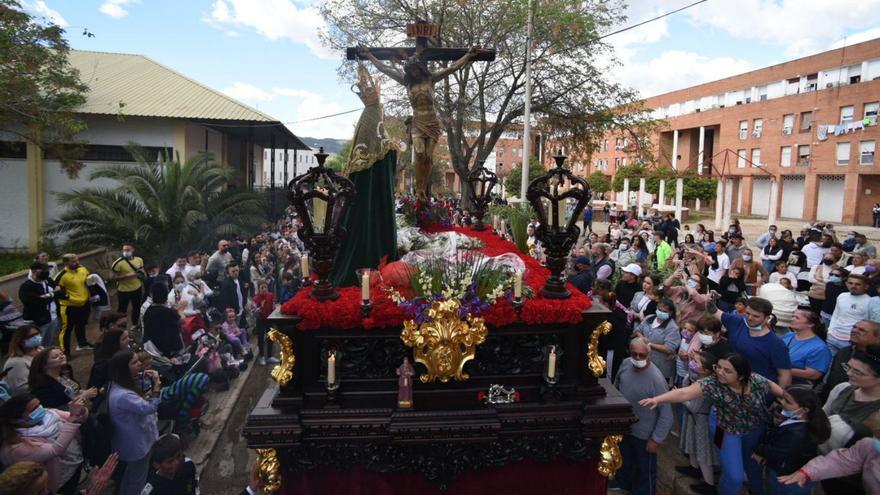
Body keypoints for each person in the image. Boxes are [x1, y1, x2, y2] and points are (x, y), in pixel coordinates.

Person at [640, 353, 787, 495]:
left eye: (727, 370)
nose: (720, 372)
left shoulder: (757, 381)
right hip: (729, 432)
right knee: (734, 476)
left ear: (741, 376)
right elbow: (684, 393)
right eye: (718, 367)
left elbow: (780, 392)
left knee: (753, 469)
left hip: (754, 430)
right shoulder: (713, 384)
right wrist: (658, 399)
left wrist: (792, 405)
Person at [611, 337, 673, 495]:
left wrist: (656, 439)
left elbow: (666, 414)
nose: (637, 358)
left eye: (642, 355)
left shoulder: (657, 380)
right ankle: (623, 483)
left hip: (645, 434)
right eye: (634, 354)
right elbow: (617, 386)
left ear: (649, 355)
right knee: (623, 460)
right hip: (625, 427)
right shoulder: (626, 364)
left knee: (645, 469)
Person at [0, 393, 87, 494]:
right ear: (16, 420)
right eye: (34, 409)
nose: (41, 409)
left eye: (39, 404)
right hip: (59, 480)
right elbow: (55, 450)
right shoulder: (14, 446)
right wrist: (73, 417)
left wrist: (80, 409)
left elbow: (80, 418)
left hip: (74, 462)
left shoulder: (48, 414)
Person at [777, 411, 879, 493]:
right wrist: (807, 472)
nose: (876, 441)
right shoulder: (870, 447)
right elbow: (840, 461)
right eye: (877, 437)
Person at [754, 387, 832, 495]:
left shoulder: (797, 433)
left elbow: (777, 452)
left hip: (784, 477)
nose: (782, 402)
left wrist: (757, 449)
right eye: (783, 398)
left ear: (804, 409)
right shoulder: (801, 422)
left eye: (787, 401)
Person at [108, 350, 160, 494]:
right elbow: (149, 407)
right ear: (124, 368)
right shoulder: (123, 395)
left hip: (133, 440)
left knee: (132, 476)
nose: (139, 364)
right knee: (137, 479)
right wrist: (157, 385)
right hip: (137, 444)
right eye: (135, 362)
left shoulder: (117, 385)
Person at [710, 297, 792, 388]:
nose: (749, 318)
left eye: (756, 316)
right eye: (748, 313)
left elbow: (784, 375)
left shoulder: (776, 344)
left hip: (757, 391)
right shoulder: (738, 323)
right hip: (730, 386)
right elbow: (713, 310)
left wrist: (780, 397)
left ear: (767, 318)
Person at [821, 346, 880, 455]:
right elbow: (821, 416)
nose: (849, 373)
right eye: (848, 368)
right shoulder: (842, 388)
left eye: (857, 372)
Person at [676, 351, 721, 495]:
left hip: (701, 420)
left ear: (705, 370)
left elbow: (694, 407)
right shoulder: (698, 379)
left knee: (702, 452)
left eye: (696, 362)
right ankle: (693, 468)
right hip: (694, 420)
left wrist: (679, 397)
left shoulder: (705, 385)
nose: (692, 363)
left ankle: (709, 484)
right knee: (693, 445)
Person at [823, 320, 880, 402]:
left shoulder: (877, 361)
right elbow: (828, 380)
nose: (854, 330)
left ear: (877, 338)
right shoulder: (843, 352)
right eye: (854, 327)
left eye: (862, 330)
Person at [28, 347, 97, 411]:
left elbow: (73, 390)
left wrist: (86, 391)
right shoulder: (42, 386)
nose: (61, 357)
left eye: (62, 354)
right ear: (44, 365)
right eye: (55, 357)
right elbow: (58, 409)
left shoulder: (65, 373)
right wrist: (84, 396)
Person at [53, 254, 93, 356]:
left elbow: (89, 281)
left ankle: (82, 344)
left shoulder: (82, 269)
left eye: (77, 260)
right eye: (73, 261)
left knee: (81, 324)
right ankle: (65, 352)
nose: (77, 263)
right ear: (66, 263)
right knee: (67, 330)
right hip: (69, 307)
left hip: (84, 304)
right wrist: (68, 297)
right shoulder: (62, 275)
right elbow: (56, 292)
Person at [634, 298, 681, 381]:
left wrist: (649, 344)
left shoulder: (672, 328)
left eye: (664, 311)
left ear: (670, 313)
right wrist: (642, 338)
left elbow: (669, 349)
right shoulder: (649, 318)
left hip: (661, 366)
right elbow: (638, 330)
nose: (661, 312)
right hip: (644, 361)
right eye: (659, 309)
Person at [781, 309, 831, 386]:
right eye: (792, 316)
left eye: (797, 318)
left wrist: (782, 370)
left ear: (810, 324)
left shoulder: (819, 348)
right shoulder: (789, 335)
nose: (792, 319)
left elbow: (814, 374)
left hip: (797, 384)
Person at [826, 274, 872, 357]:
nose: (853, 286)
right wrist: (830, 331)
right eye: (850, 283)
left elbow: (869, 325)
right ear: (846, 283)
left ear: (866, 286)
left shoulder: (870, 302)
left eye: (857, 284)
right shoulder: (842, 296)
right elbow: (836, 314)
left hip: (850, 342)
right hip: (833, 337)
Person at [18, 262, 58, 347]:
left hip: (52, 317)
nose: (46, 271)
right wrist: (51, 295)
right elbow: (35, 303)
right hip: (37, 321)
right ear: (34, 271)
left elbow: (59, 291)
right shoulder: (26, 286)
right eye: (43, 270)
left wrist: (47, 296)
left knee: (48, 344)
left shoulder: (47, 281)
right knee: (36, 346)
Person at [87, 313, 130, 390]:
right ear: (111, 325)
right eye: (121, 325)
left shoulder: (122, 337)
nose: (124, 328)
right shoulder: (101, 346)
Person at [142, 284, 185, 359]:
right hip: (167, 349)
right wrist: (181, 309)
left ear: (152, 295)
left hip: (154, 346)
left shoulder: (148, 310)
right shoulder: (166, 312)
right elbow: (182, 320)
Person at [2, 325, 43, 395]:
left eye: (37, 334)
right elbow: (22, 389)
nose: (36, 337)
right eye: (32, 336)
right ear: (21, 340)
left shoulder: (41, 350)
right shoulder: (16, 362)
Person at [111, 244, 145, 324]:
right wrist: (127, 276)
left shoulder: (139, 260)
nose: (126, 252)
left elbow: (142, 271)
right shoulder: (118, 263)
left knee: (137, 307)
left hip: (137, 288)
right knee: (122, 310)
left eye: (128, 250)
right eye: (124, 250)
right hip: (123, 290)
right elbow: (112, 278)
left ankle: (135, 324)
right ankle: (120, 326)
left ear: (133, 250)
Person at [252, 282, 277, 366]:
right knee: (261, 339)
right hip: (260, 321)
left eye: (265, 287)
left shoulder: (270, 295)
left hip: (269, 319)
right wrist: (260, 307)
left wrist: (274, 307)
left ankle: (270, 356)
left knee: (270, 337)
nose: (264, 289)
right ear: (258, 289)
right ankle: (262, 356)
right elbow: (254, 313)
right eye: (262, 288)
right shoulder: (255, 298)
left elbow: (273, 305)